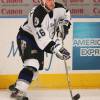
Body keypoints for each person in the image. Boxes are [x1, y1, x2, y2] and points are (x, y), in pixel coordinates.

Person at [9, 0, 71, 100]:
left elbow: (66, 15)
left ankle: (19, 83)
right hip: (27, 37)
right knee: (32, 64)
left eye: (52, 0)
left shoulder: (60, 8)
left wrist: (61, 33)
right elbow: (43, 40)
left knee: (35, 73)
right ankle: (18, 91)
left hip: (40, 40)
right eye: (48, 0)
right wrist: (57, 48)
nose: (52, 2)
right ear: (42, 1)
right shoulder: (37, 15)